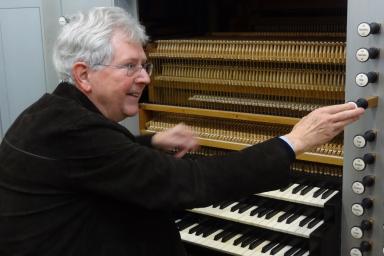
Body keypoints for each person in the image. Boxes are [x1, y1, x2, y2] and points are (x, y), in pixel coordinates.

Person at [0, 6, 364, 256]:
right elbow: (188, 182)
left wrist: (150, 140)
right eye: (130, 66)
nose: (145, 77)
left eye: (145, 64)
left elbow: (92, 161)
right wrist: (294, 141)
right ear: (83, 75)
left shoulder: (51, 114)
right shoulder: (71, 129)